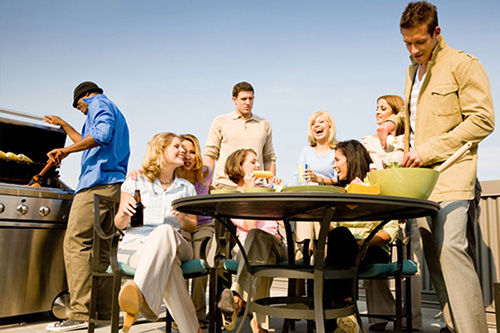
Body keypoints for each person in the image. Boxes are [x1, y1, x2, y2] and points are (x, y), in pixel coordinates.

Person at [377, 2, 495, 331]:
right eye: (407, 44)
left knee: (452, 252)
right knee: (436, 263)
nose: (413, 50)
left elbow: (483, 120)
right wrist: (394, 123)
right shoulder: (412, 72)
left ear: (437, 33)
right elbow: (418, 115)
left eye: (420, 42)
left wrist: (427, 150)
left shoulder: (463, 64)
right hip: (423, 183)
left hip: (455, 175)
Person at [45, 81, 130, 332]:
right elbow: (86, 139)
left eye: (79, 108)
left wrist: (65, 150)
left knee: (75, 244)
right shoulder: (112, 108)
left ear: (83, 99)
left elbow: (100, 136)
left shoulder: (97, 103)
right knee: (102, 250)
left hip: (94, 185)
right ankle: (104, 312)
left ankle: (80, 312)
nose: (81, 111)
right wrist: (64, 126)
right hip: (112, 186)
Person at [114, 132, 203, 333]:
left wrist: (182, 217)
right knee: (169, 268)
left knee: (164, 230)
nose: (183, 151)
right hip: (136, 245)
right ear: (160, 152)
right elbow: (119, 224)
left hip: (177, 244)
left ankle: (141, 296)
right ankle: (193, 329)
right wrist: (124, 213)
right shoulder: (135, 182)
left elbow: (192, 227)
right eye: (176, 146)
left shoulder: (186, 188)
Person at [323, 140, 399, 333]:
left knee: (326, 268)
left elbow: (389, 231)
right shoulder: (341, 192)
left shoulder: (377, 187)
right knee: (339, 237)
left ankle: (337, 318)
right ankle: (345, 313)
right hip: (344, 251)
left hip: (372, 250)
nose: (334, 165)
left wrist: (362, 244)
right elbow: (335, 231)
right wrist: (322, 219)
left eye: (337, 160)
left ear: (351, 159)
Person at [362, 95, 423, 331]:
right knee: (370, 255)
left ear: (396, 113)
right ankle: (380, 317)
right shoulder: (368, 142)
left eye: (383, 108)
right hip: (378, 210)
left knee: (411, 265)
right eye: (376, 108)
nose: (377, 112)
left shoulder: (410, 141)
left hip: (407, 206)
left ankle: (413, 320)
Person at [217, 148, 286, 333]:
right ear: (239, 167)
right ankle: (260, 327)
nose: (258, 166)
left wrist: (278, 193)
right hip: (247, 250)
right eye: (253, 162)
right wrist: (249, 193)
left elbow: (285, 223)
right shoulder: (233, 199)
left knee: (259, 242)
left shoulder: (267, 190)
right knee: (258, 251)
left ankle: (237, 298)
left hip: (276, 245)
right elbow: (250, 226)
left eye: (258, 162)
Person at [204, 81, 277, 189]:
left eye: (251, 98)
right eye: (243, 99)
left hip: (257, 185)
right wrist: (207, 184)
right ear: (234, 100)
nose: (247, 102)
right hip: (226, 185)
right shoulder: (220, 121)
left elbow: (269, 158)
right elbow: (210, 154)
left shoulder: (264, 124)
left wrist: (272, 185)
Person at [178, 133, 215, 328]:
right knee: (182, 261)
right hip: (181, 224)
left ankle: (199, 314)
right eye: (184, 152)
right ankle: (181, 313)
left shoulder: (206, 173)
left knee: (200, 260)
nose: (188, 157)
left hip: (203, 224)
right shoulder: (173, 173)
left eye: (192, 152)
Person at [295, 110, 338, 246]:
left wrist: (319, 179)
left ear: (330, 126)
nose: (316, 126)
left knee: (324, 244)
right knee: (303, 243)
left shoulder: (337, 151)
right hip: (307, 203)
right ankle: (301, 261)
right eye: (313, 123)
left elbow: (340, 181)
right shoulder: (306, 151)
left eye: (321, 122)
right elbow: (298, 179)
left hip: (328, 203)